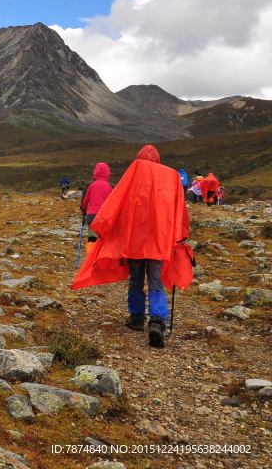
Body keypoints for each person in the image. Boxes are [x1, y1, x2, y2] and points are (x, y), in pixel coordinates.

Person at [71, 145, 193, 348]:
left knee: (136, 279)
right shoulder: (172, 176)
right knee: (155, 281)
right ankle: (157, 321)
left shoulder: (134, 171)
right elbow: (179, 208)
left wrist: (106, 227)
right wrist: (179, 235)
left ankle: (136, 319)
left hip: (134, 240)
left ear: (138, 157)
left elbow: (117, 201)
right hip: (160, 241)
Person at [79, 163, 114, 257]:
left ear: (95, 172)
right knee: (104, 240)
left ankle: (90, 260)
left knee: (92, 239)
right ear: (108, 173)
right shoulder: (111, 186)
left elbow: (84, 201)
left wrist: (83, 210)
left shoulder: (90, 185)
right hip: (106, 218)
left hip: (92, 217)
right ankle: (103, 261)